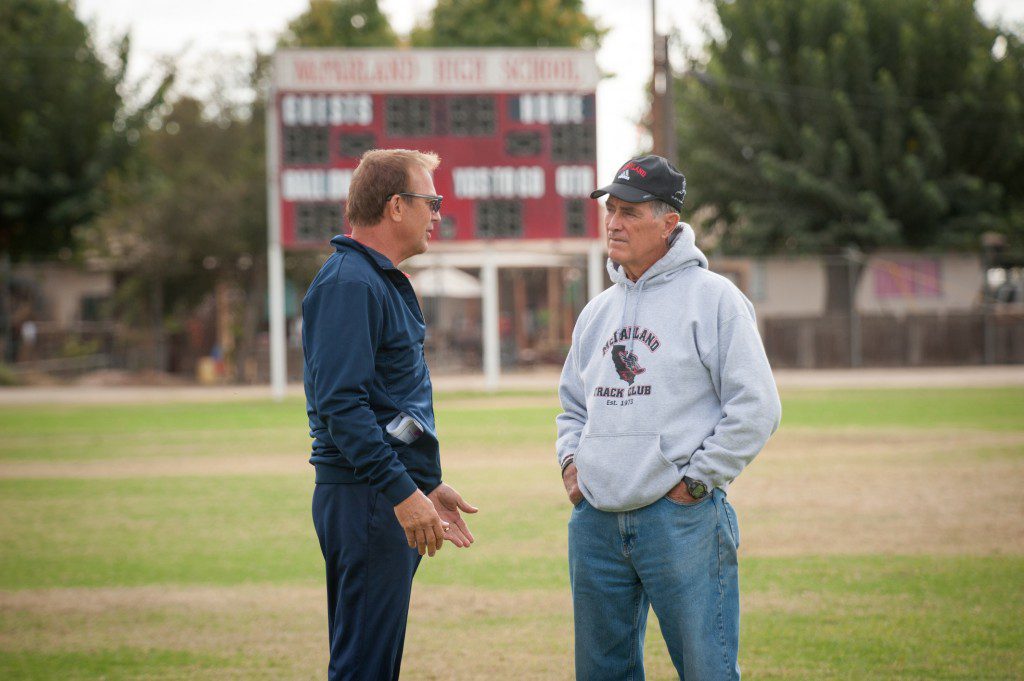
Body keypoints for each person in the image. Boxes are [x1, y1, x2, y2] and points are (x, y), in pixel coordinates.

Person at [556, 155, 781, 680]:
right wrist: (571, 464)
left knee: (707, 670)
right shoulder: (597, 312)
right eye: (611, 209)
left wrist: (698, 483)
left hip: (680, 519)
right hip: (596, 523)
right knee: (601, 673)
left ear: (668, 223)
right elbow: (572, 405)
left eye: (630, 211)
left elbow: (757, 406)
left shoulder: (714, 299)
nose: (614, 222)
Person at [303, 148, 478, 681]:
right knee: (363, 667)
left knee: (373, 663)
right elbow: (342, 406)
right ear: (396, 206)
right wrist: (403, 494)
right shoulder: (349, 283)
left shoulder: (371, 279)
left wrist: (425, 483)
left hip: (382, 492)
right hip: (367, 497)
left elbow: (384, 401)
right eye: (432, 200)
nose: (438, 213)